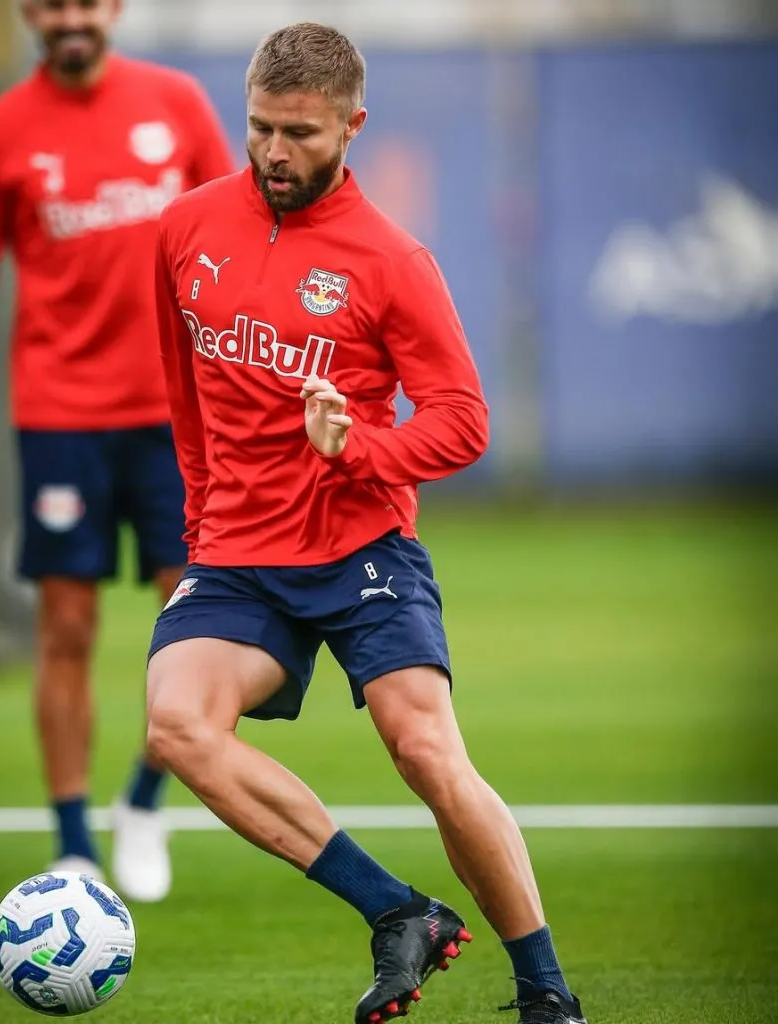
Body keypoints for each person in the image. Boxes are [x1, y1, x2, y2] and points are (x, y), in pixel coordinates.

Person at [147, 21, 588, 1024]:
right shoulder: (185, 231)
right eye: (259, 127)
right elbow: (185, 400)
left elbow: (464, 420)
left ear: (352, 125)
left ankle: (546, 992)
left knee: (424, 749)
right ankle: (397, 911)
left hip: (361, 546)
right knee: (176, 725)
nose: (272, 152)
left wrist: (361, 453)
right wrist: (200, 529)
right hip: (239, 555)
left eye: (298, 133)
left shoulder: (391, 260)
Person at [0, 0, 235, 902]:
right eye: (51, 3)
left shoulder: (174, 102)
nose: (69, 18)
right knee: (65, 627)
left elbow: (238, 228)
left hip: (178, 416)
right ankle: (70, 845)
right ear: (30, 13)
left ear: (113, 10)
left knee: (199, 628)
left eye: (85, 3)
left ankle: (145, 796)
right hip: (60, 412)